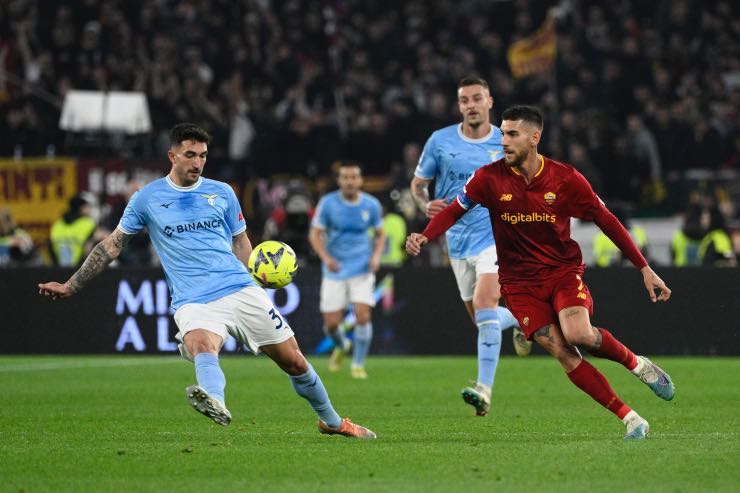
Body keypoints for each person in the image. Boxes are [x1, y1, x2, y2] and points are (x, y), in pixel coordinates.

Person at [38, 123, 375, 439]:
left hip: (239, 287)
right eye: (190, 155)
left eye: (202, 155)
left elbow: (240, 242)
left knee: (294, 361)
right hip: (193, 298)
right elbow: (111, 245)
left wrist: (259, 273)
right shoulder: (147, 198)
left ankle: (332, 422)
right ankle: (215, 401)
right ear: (172, 156)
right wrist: (71, 285)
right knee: (202, 344)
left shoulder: (222, 192)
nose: (197, 162)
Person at [406, 106, 675, 440]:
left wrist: (644, 267)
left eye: (512, 134)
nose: (504, 141)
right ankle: (631, 418)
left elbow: (606, 220)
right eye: (503, 133)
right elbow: (454, 210)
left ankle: (637, 364)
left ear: (534, 138)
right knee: (563, 352)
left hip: (561, 272)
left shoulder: (565, 179)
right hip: (518, 285)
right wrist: (426, 235)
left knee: (579, 335)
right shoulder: (488, 178)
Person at [410, 75, 531, 417]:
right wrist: (424, 205)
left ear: (490, 101)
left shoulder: (506, 140)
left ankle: (484, 391)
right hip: (457, 240)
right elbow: (418, 185)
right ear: (459, 105)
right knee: (482, 320)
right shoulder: (440, 141)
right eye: (465, 100)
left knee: (484, 302)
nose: (472, 105)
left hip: (497, 237)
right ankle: (522, 320)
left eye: (477, 98)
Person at [309, 162, 385, 379]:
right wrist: (326, 258)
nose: (350, 181)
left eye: (354, 177)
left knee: (363, 315)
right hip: (335, 269)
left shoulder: (371, 205)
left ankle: (358, 364)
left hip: (362, 267)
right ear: (339, 180)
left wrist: (376, 256)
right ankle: (342, 345)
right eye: (345, 177)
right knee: (331, 325)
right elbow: (315, 234)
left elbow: (380, 234)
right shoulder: (328, 203)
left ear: (360, 180)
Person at [49, 193, 98, 267]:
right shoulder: (88, 224)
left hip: (59, 268)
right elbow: (91, 247)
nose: (90, 210)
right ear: (81, 208)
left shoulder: (57, 224)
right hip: (80, 268)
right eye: (87, 207)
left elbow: (50, 247)